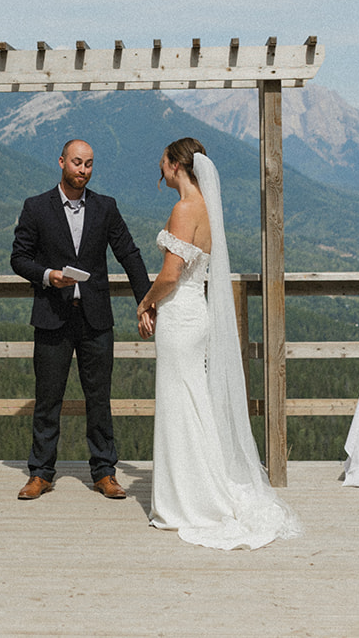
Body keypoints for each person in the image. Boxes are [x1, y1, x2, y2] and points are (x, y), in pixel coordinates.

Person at [136, 137, 301, 549]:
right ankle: (200, 486)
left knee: (180, 402)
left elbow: (171, 274)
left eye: (162, 160)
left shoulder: (183, 209)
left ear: (176, 164)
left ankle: (188, 500)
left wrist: (146, 301)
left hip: (179, 313)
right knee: (193, 401)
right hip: (197, 313)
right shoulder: (207, 208)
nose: (159, 167)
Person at [10, 138, 152, 501]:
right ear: (61, 162)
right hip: (52, 316)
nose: (83, 170)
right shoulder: (36, 207)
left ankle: (105, 472)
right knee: (47, 399)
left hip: (96, 319)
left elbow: (129, 254)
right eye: (77, 163)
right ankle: (40, 473)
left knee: (99, 398)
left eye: (89, 164)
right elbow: (19, 258)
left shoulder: (106, 207)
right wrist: (48, 275)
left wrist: (147, 301)